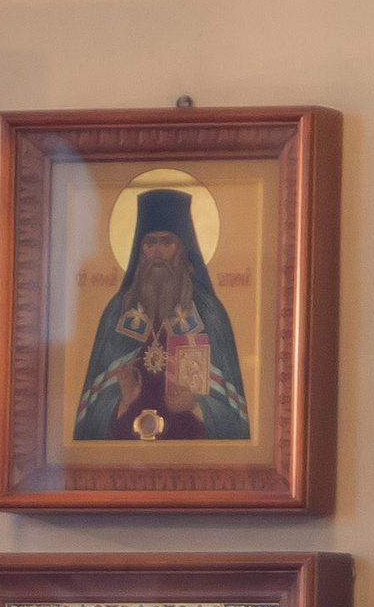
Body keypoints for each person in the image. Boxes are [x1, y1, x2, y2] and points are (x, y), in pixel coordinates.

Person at [71, 188, 249, 443]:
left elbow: (236, 425)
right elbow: (88, 425)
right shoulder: (118, 313)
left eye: (167, 242)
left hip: (193, 458)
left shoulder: (209, 313)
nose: (157, 252)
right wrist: (122, 402)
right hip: (128, 458)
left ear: (183, 248)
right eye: (150, 243)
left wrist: (196, 406)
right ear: (139, 249)